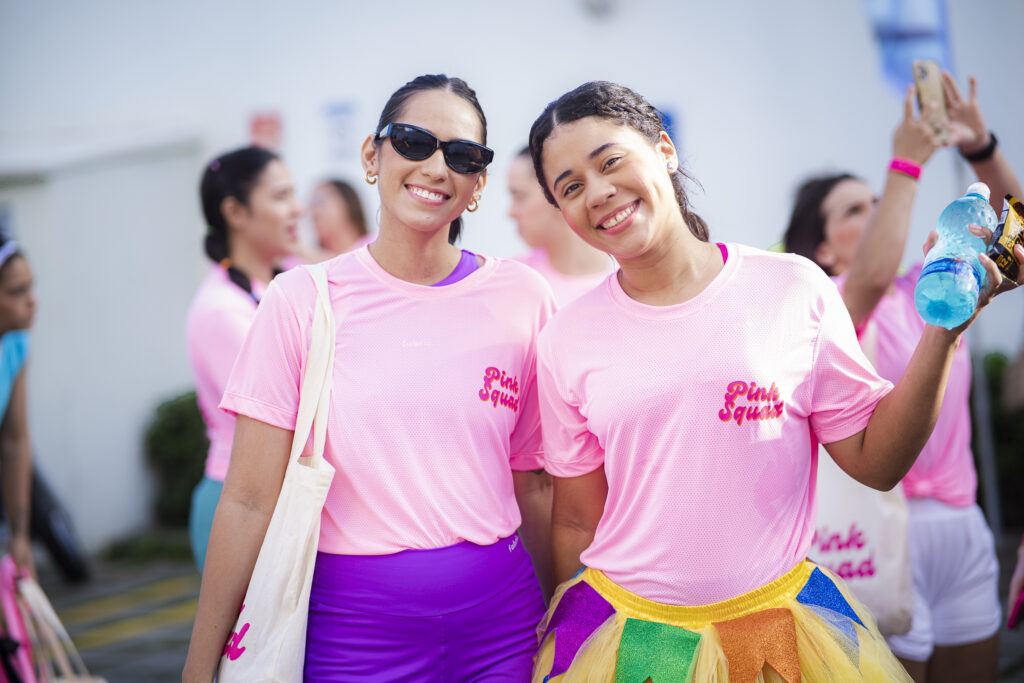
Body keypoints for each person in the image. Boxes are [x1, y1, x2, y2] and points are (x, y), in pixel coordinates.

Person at [526, 80, 1022, 683]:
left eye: (611, 162)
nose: (598, 193)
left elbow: (875, 460)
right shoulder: (564, 338)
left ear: (664, 149)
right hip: (633, 645)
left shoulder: (792, 287)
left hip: (783, 638)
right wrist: (573, 638)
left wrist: (944, 332)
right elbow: (577, 520)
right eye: (571, 187)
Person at [183, 74, 556, 682]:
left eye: (462, 155)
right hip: (354, 634)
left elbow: (536, 485)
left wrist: (562, 620)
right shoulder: (303, 299)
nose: (436, 167)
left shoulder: (522, 296)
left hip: (505, 628)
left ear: (479, 184)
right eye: (413, 141)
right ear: (371, 155)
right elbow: (249, 499)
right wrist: (201, 666)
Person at [784, 74, 1022, 683]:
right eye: (855, 209)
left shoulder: (932, 285)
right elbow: (870, 274)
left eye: (877, 201)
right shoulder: (832, 301)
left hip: (963, 522)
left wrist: (980, 147)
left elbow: (1018, 236)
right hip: (881, 534)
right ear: (823, 248)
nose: (877, 211)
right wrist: (906, 162)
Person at [185, 146, 303, 572]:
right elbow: (287, 412)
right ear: (235, 211)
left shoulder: (282, 284)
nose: (298, 208)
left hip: (276, 494)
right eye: (281, 196)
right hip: (244, 501)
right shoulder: (222, 310)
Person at [508, 147, 615, 306]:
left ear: (556, 194)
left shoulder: (630, 282)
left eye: (520, 197)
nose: (511, 212)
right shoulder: (510, 280)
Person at [0, 239, 36, 577]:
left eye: (31, 287)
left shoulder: (15, 344)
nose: (32, 301)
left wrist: (20, 536)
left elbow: (14, 441)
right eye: (16, 291)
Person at [310, 179, 372, 256]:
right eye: (312, 205)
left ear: (348, 204)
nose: (314, 212)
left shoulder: (374, 246)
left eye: (320, 202)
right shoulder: (300, 262)